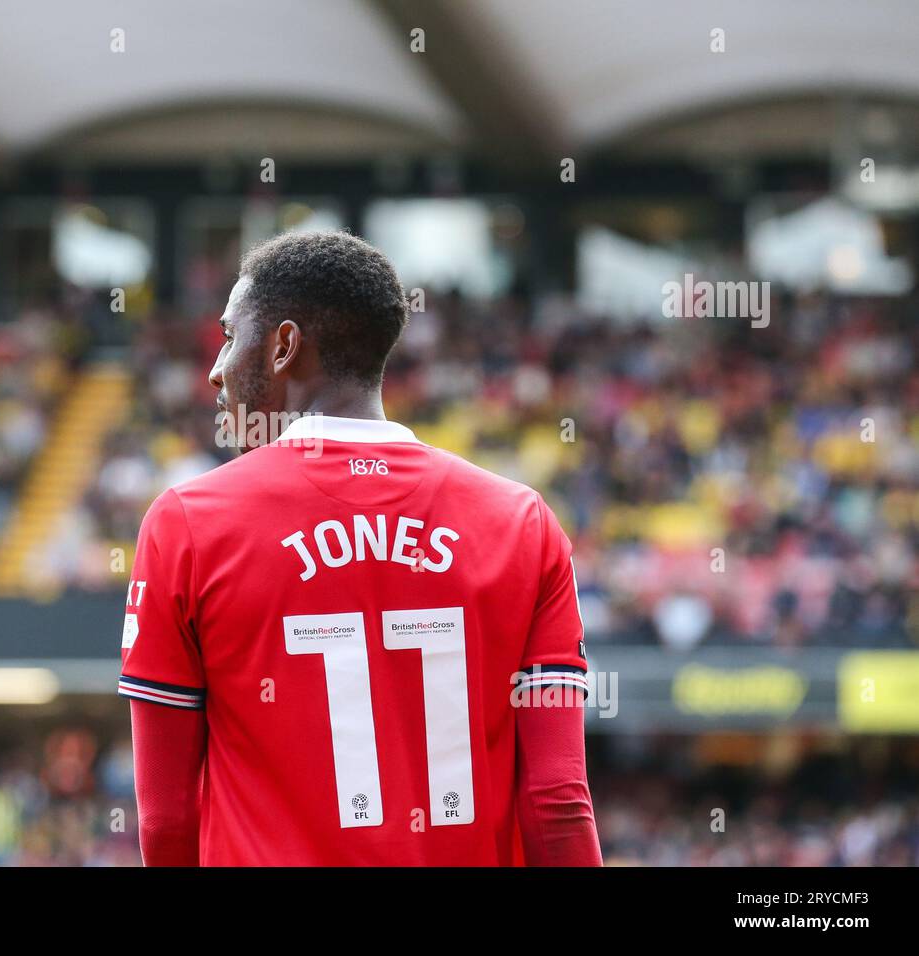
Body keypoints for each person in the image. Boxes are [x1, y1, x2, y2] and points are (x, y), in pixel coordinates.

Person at [121, 231, 601, 865]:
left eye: (229, 337)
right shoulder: (522, 523)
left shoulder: (187, 524)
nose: (214, 368)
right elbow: (557, 800)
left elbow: (166, 819)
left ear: (286, 346)